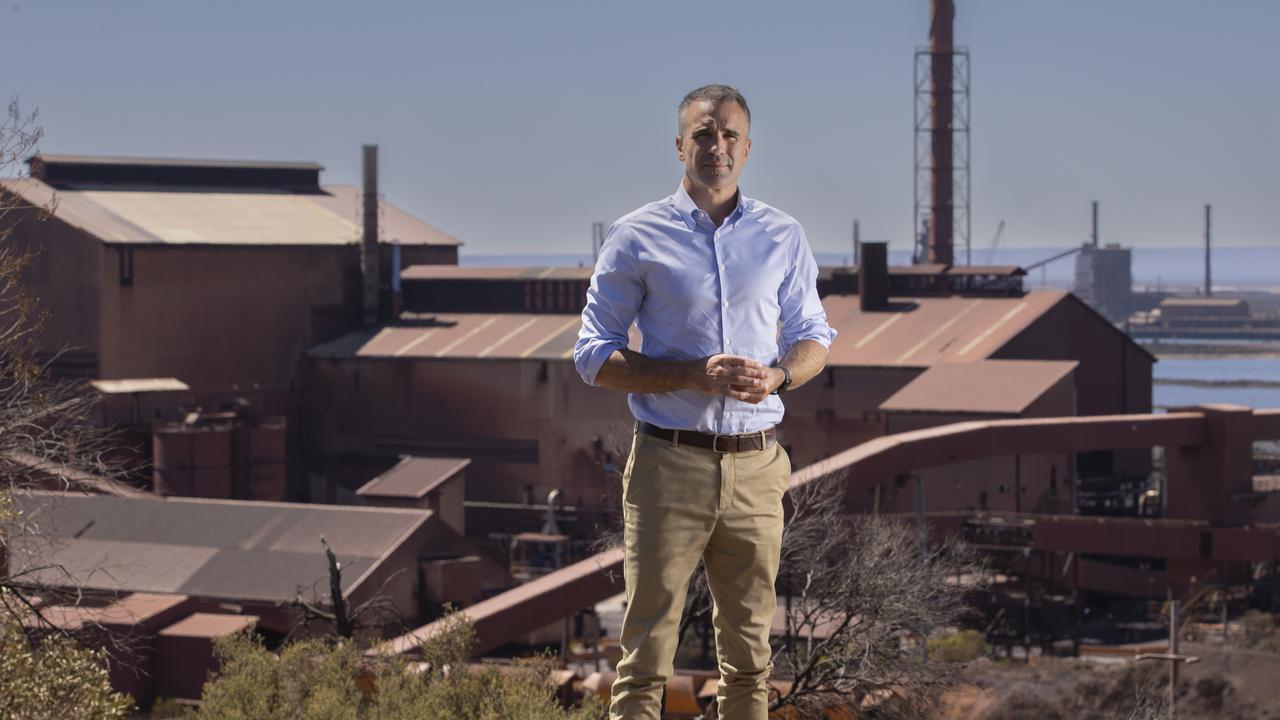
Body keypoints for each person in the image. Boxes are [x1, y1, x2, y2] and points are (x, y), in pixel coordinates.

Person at [574, 84, 835, 720]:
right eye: (703, 134)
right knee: (644, 661)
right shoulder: (636, 236)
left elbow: (814, 337)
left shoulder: (783, 235)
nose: (715, 146)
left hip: (756, 467)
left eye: (728, 136)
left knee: (750, 661)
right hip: (669, 465)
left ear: (747, 149)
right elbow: (592, 357)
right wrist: (692, 373)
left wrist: (779, 377)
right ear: (680, 145)